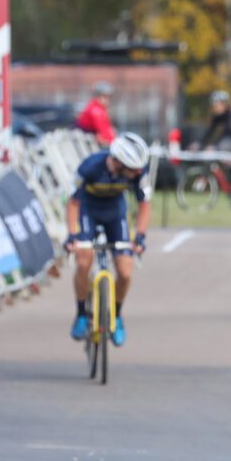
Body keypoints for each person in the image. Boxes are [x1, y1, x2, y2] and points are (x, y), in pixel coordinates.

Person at [64, 132, 151, 345]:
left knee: (125, 271)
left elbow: (144, 205)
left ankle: (118, 315)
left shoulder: (139, 171)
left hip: (115, 214)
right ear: (119, 163)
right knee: (84, 261)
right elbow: (73, 203)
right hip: (88, 212)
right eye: (133, 170)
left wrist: (139, 236)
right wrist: (72, 234)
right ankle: (82, 314)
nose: (137, 173)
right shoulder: (89, 167)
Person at [75, 81, 117, 146]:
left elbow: (107, 127)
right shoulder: (95, 110)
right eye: (105, 97)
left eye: (109, 97)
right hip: (84, 142)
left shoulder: (98, 108)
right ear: (98, 97)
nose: (108, 100)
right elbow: (103, 129)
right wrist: (114, 143)